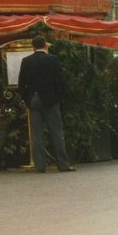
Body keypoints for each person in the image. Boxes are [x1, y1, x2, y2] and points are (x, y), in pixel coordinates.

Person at [18, 36, 75, 173]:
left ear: (33, 46)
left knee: (37, 134)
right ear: (45, 46)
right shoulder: (53, 60)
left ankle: (40, 166)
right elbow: (60, 82)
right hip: (51, 100)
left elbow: (21, 84)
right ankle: (63, 164)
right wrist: (58, 98)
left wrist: (28, 99)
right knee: (56, 132)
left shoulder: (26, 61)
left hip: (34, 99)